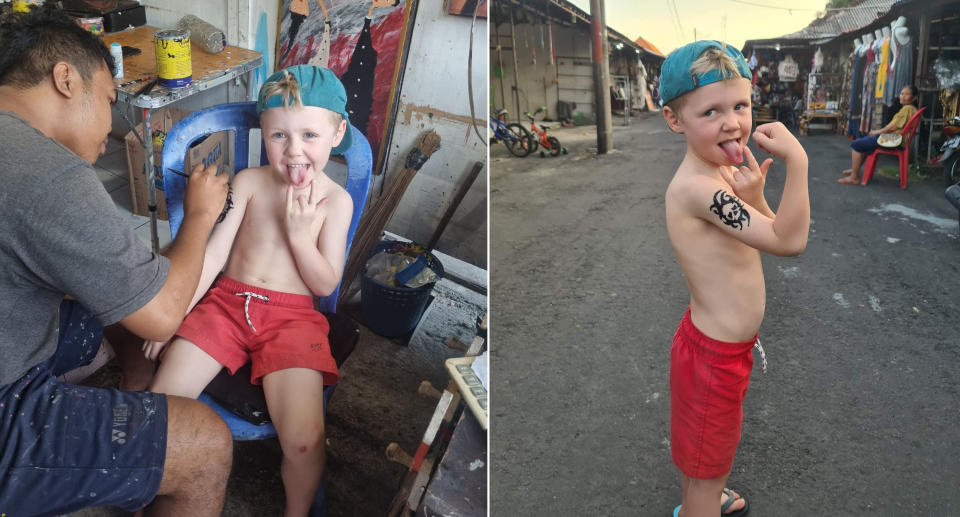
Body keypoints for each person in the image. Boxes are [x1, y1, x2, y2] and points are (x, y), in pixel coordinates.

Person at [0, 7, 233, 516]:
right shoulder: (48, 173)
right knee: (205, 445)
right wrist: (199, 216)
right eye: (109, 99)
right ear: (66, 78)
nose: (109, 129)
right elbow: (163, 312)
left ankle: (136, 389)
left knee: (108, 297)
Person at [145, 64, 353, 516]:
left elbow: (325, 282)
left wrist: (300, 237)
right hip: (225, 304)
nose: (294, 151)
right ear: (263, 132)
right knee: (163, 406)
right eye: (279, 136)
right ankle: (150, 496)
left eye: (309, 136)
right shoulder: (250, 182)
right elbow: (215, 257)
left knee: (305, 442)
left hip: (294, 318)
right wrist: (172, 313)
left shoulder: (336, 201)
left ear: (337, 133)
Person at [660, 41, 810, 517]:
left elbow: (766, 231)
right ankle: (702, 502)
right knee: (708, 465)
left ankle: (702, 498)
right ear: (674, 119)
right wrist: (799, 163)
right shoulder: (699, 188)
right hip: (713, 361)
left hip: (717, 349)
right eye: (711, 111)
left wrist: (757, 196)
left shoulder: (721, 173)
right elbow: (790, 242)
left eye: (740, 106)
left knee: (703, 455)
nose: (732, 122)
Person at [838, 85, 918, 185]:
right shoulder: (912, 109)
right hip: (896, 139)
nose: (903, 96)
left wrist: (877, 132)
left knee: (856, 144)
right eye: (902, 94)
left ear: (914, 98)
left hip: (892, 140)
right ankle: (855, 169)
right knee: (866, 143)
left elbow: (893, 127)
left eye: (907, 94)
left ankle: (854, 177)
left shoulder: (907, 109)